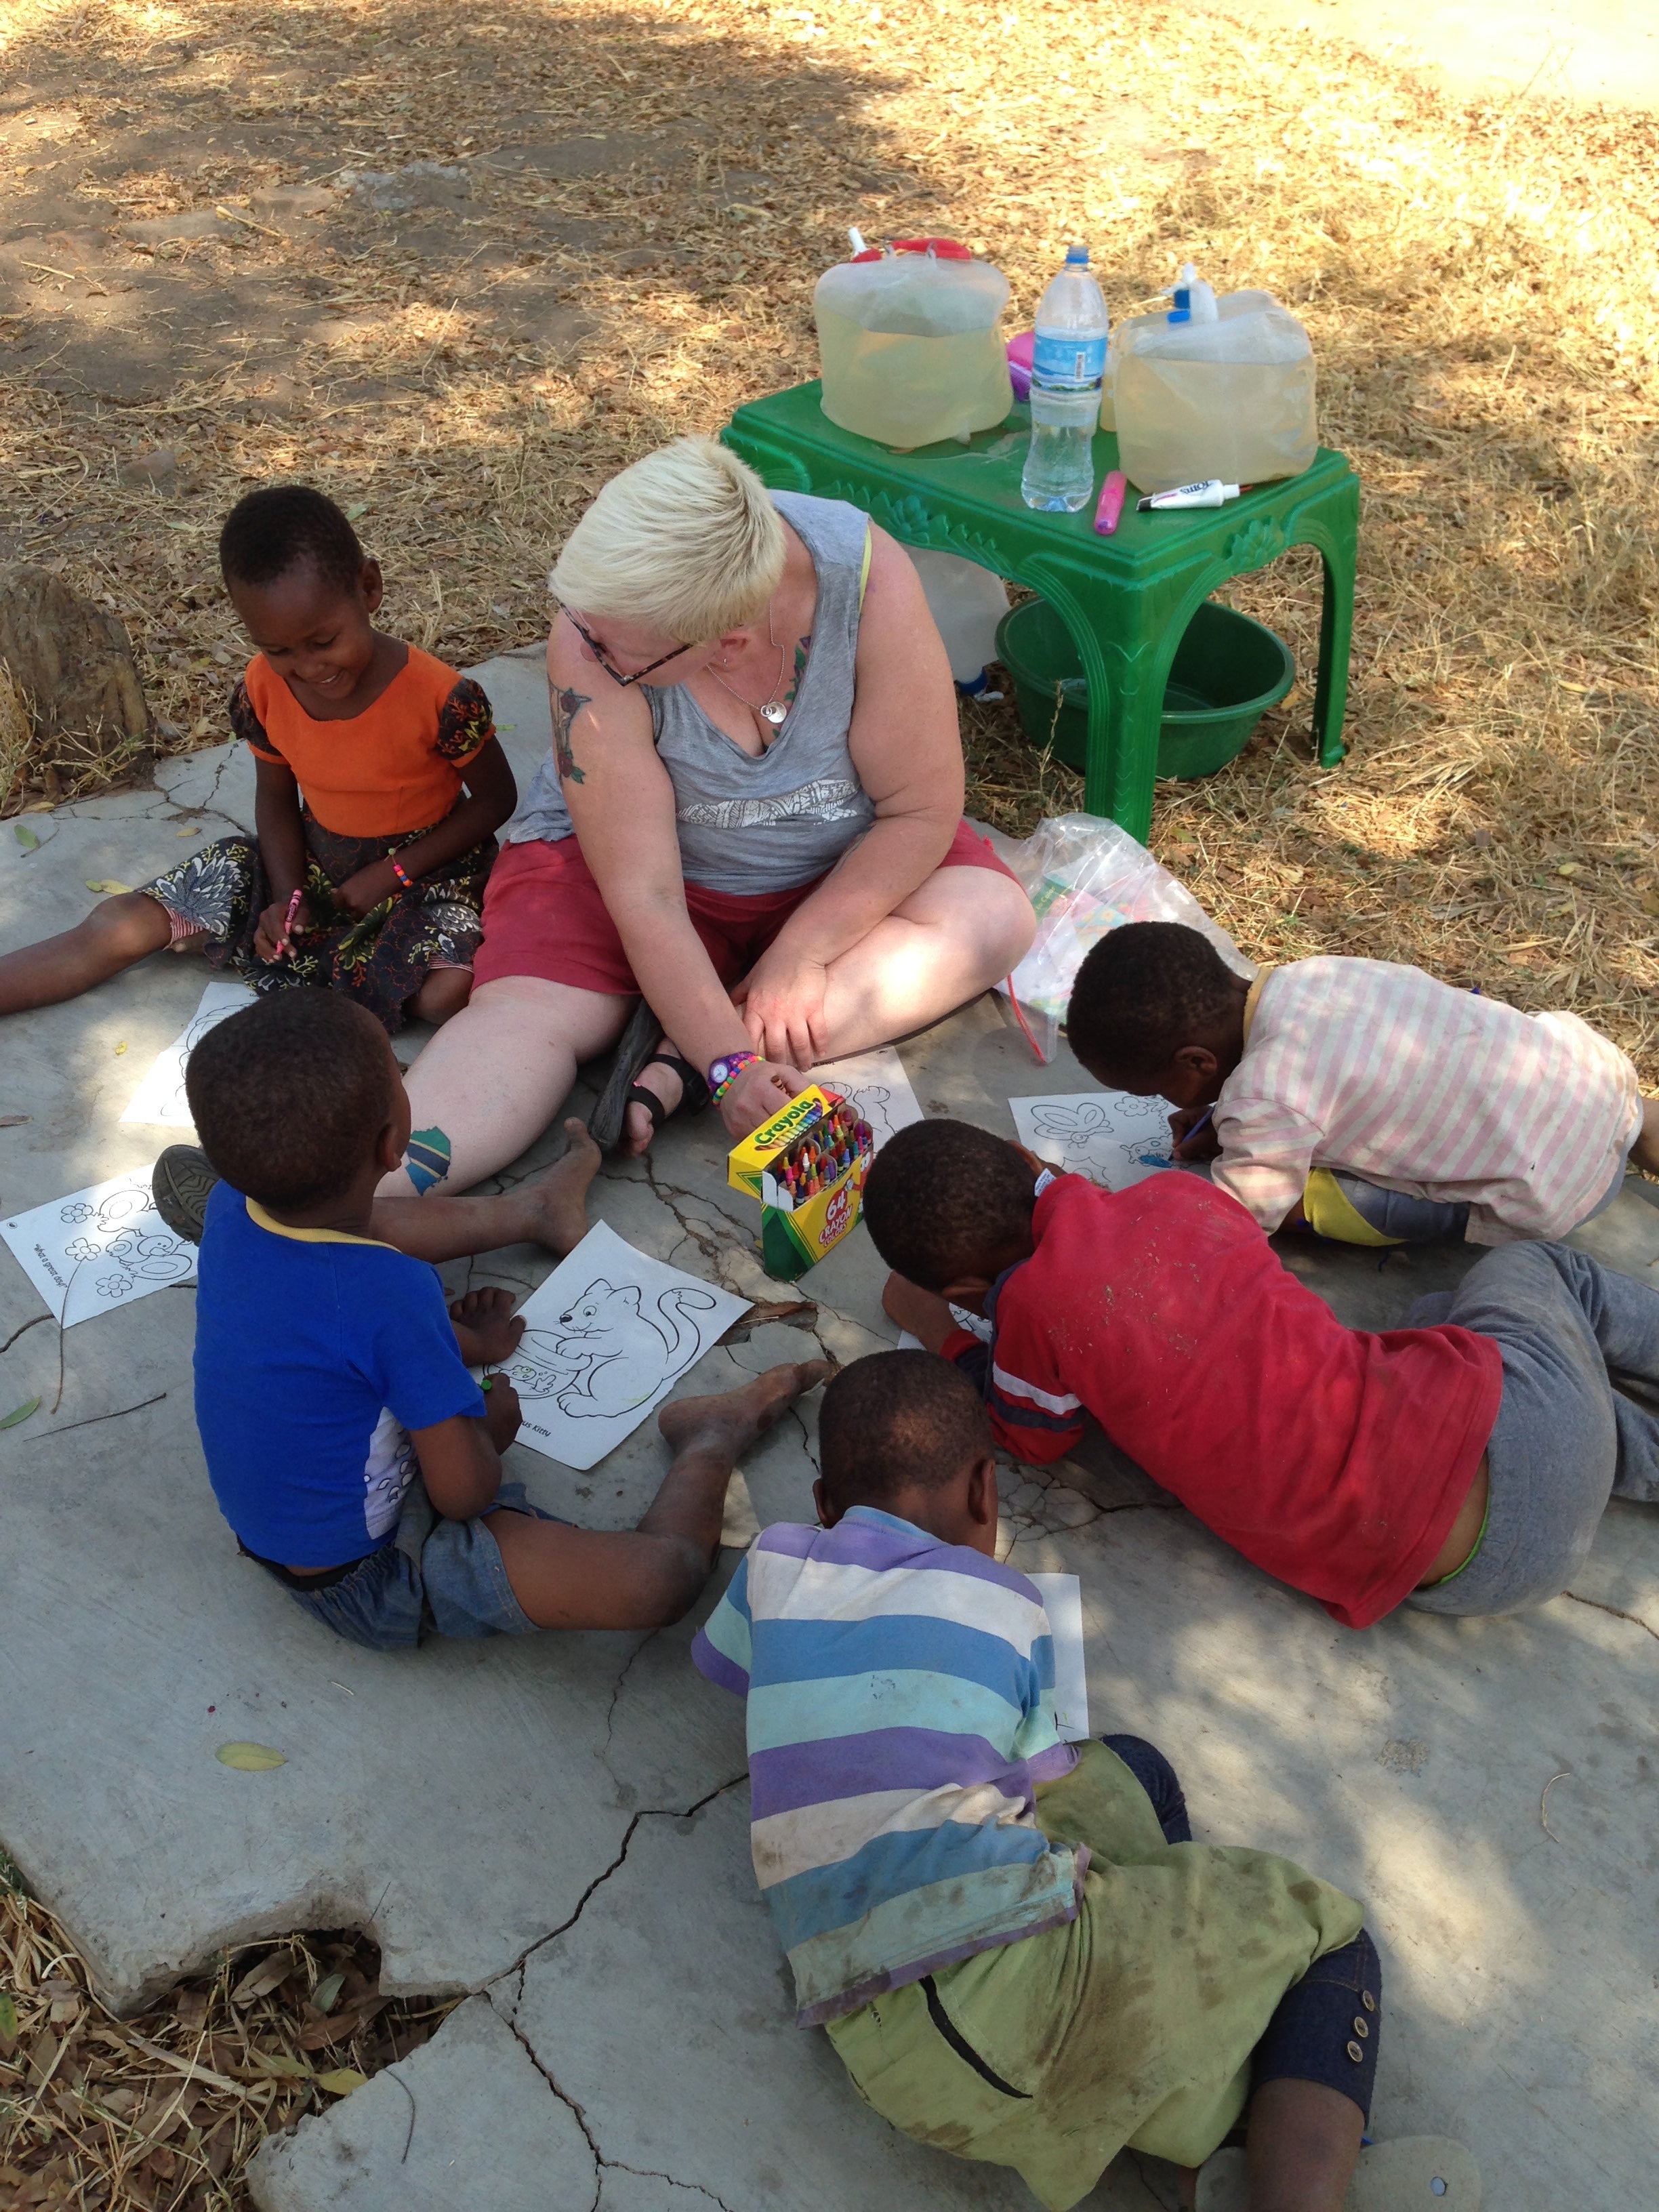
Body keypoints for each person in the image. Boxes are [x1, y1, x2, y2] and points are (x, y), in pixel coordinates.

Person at [693, 1353, 1473, 2212]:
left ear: (823, 1507)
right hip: (1031, 1989)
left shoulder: (772, 1563)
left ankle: (1192, 2083)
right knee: (1331, 1937)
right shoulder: (1007, 1603)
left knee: (1133, 1768)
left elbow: (732, 1667)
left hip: (885, 2057)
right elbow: (1044, 1774)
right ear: (987, 1491)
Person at [376, 434, 1035, 1198]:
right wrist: (738, 1061)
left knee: (993, 920)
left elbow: (919, 809)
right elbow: (644, 894)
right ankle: (353, 1195)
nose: (587, 652)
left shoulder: (865, 578)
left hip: (832, 865)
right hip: (629, 878)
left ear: (728, 641)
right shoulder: (595, 631)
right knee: (524, 1016)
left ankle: (682, 1057)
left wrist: (802, 954)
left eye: (620, 658)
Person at [185, 989, 827, 1649]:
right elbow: (463, 1492)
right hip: (366, 1573)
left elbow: (335, 1326)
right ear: (392, 1141)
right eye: (400, 1075)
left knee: (357, 1228)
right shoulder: (390, 1295)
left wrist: (461, 1342)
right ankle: (709, 1437)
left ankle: (533, 1211)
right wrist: (488, 1426)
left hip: (284, 1522)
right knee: (660, 1578)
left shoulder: (234, 1206)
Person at [864, 1118, 1659, 1626]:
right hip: (1519, 1437)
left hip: (1475, 1578)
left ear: (969, 1289)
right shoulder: (1182, 1197)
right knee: (1528, 1275)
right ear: (1025, 1156)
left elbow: (1027, 1436)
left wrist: (943, 1330)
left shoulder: (1034, 1310)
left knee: (1438, 1312)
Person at [0, 485, 517, 1035]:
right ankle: (294, 940)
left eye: (324, 640)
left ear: (369, 588)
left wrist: (391, 874)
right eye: (280, 649)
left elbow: (495, 800)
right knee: (124, 924)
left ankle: (286, 948)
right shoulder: (262, 688)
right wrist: (288, 895)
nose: (308, 667)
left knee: (444, 993)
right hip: (307, 862)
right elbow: (275, 798)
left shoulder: (444, 699)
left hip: (424, 873)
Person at [1065, 922, 1659, 1246]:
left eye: (1158, 1092)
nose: (1167, 1105)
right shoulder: (1317, 976)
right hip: (1598, 1086)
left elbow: (1237, 1218)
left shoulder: (1267, 1098)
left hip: (1550, 1190)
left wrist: (1125, 1220)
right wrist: (1226, 1123)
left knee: (1312, 1199)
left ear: (1197, 1063)